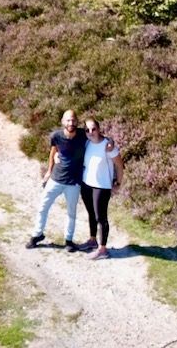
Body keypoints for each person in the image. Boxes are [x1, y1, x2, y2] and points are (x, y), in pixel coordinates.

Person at [26, 109, 85, 252]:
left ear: (77, 121)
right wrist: (49, 171)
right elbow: (53, 151)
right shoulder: (56, 136)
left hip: (74, 182)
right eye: (68, 120)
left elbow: (98, 137)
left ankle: (68, 241)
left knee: (71, 212)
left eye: (73, 120)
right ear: (63, 121)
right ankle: (37, 235)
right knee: (43, 207)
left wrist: (110, 143)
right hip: (56, 178)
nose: (71, 123)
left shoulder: (83, 135)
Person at [80, 117, 123, 259]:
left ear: (99, 129)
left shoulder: (108, 146)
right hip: (86, 183)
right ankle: (92, 240)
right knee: (91, 214)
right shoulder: (87, 142)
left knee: (100, 217)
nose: (90, 132)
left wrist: (118, 183)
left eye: (93, 129)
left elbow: (119, 165)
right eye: (87, 130)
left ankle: (103, 249)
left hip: (102, 186)